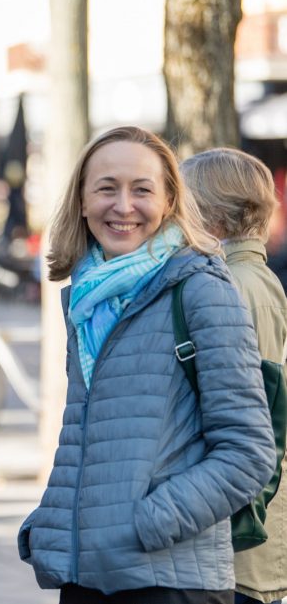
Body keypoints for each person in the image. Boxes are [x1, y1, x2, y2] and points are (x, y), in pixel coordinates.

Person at [17, 126, 277, 603]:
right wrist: (55, 519)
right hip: (86, 575)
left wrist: (146, 523)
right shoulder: (86, 301)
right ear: (81, 200)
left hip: (170, 580)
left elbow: (249, 452)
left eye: (142, 189)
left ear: (170, 200)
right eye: (106, 188)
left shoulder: (201, 289)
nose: (123, 206)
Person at [181, 148, 287, 604]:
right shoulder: (243, 276)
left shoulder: (239, 284)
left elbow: (261, 415)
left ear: (214, 219)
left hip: (243, 535)